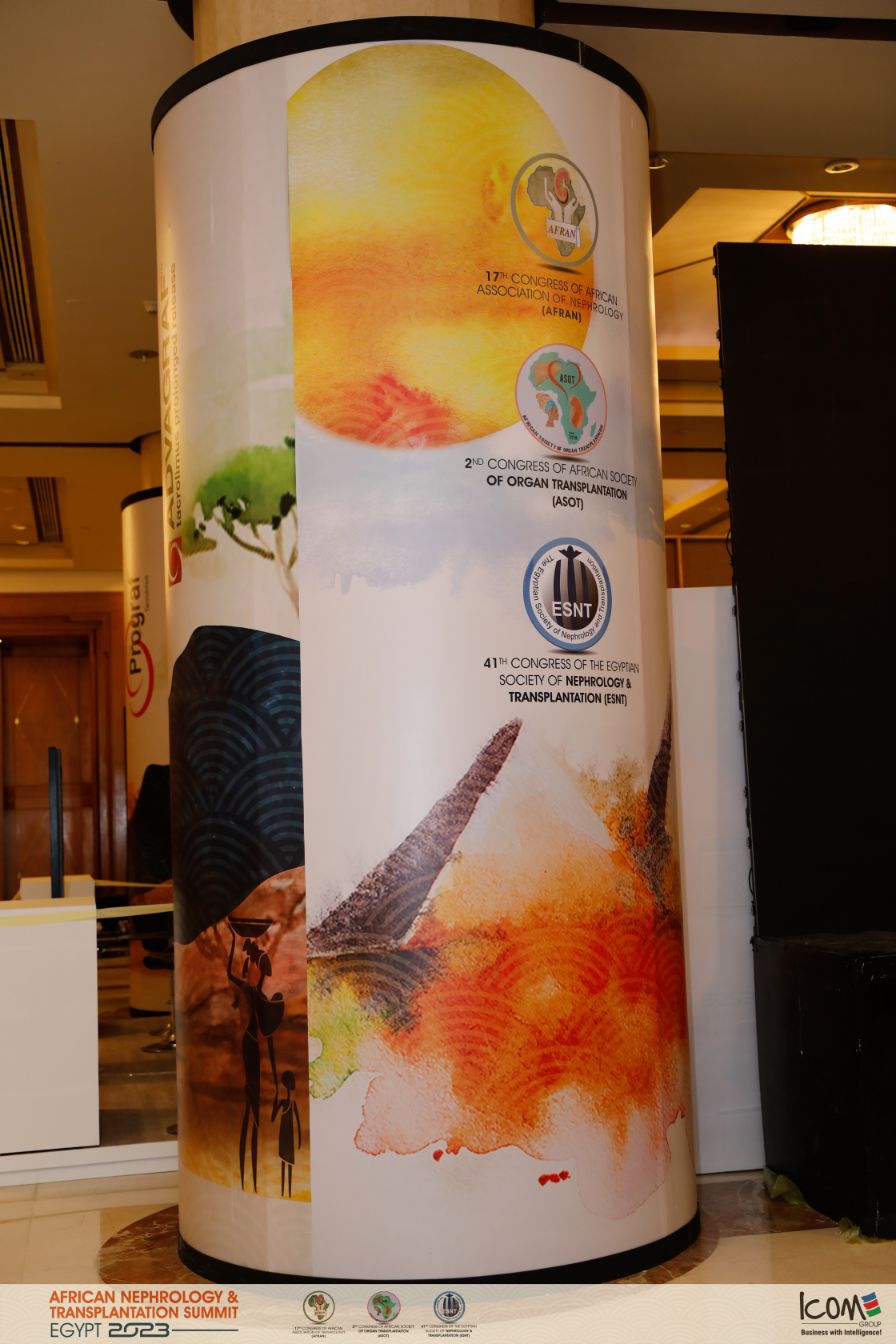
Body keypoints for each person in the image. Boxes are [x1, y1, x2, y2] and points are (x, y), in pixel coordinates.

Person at [227, 928, 285, 1192]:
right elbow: (234, 973)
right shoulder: (253, 992)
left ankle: (251, 1173)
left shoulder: (254, 992)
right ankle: (249, 1173)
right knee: (252, 1099)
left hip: (252, 1042)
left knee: (253, 1100)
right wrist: (233, 941)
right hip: (250, 1042)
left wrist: (234, 941)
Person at [272, 1069, 302, 1198]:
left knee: (289, 1163)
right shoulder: (283, 1102)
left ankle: (288, 1192)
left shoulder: (292, 1104)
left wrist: (300, 1139)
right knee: (284, 1162)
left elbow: (298, 1123)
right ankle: (283, 1191)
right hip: (283, 1134)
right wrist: (275, 1100)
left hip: (289, 1135)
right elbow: (273, 1117)